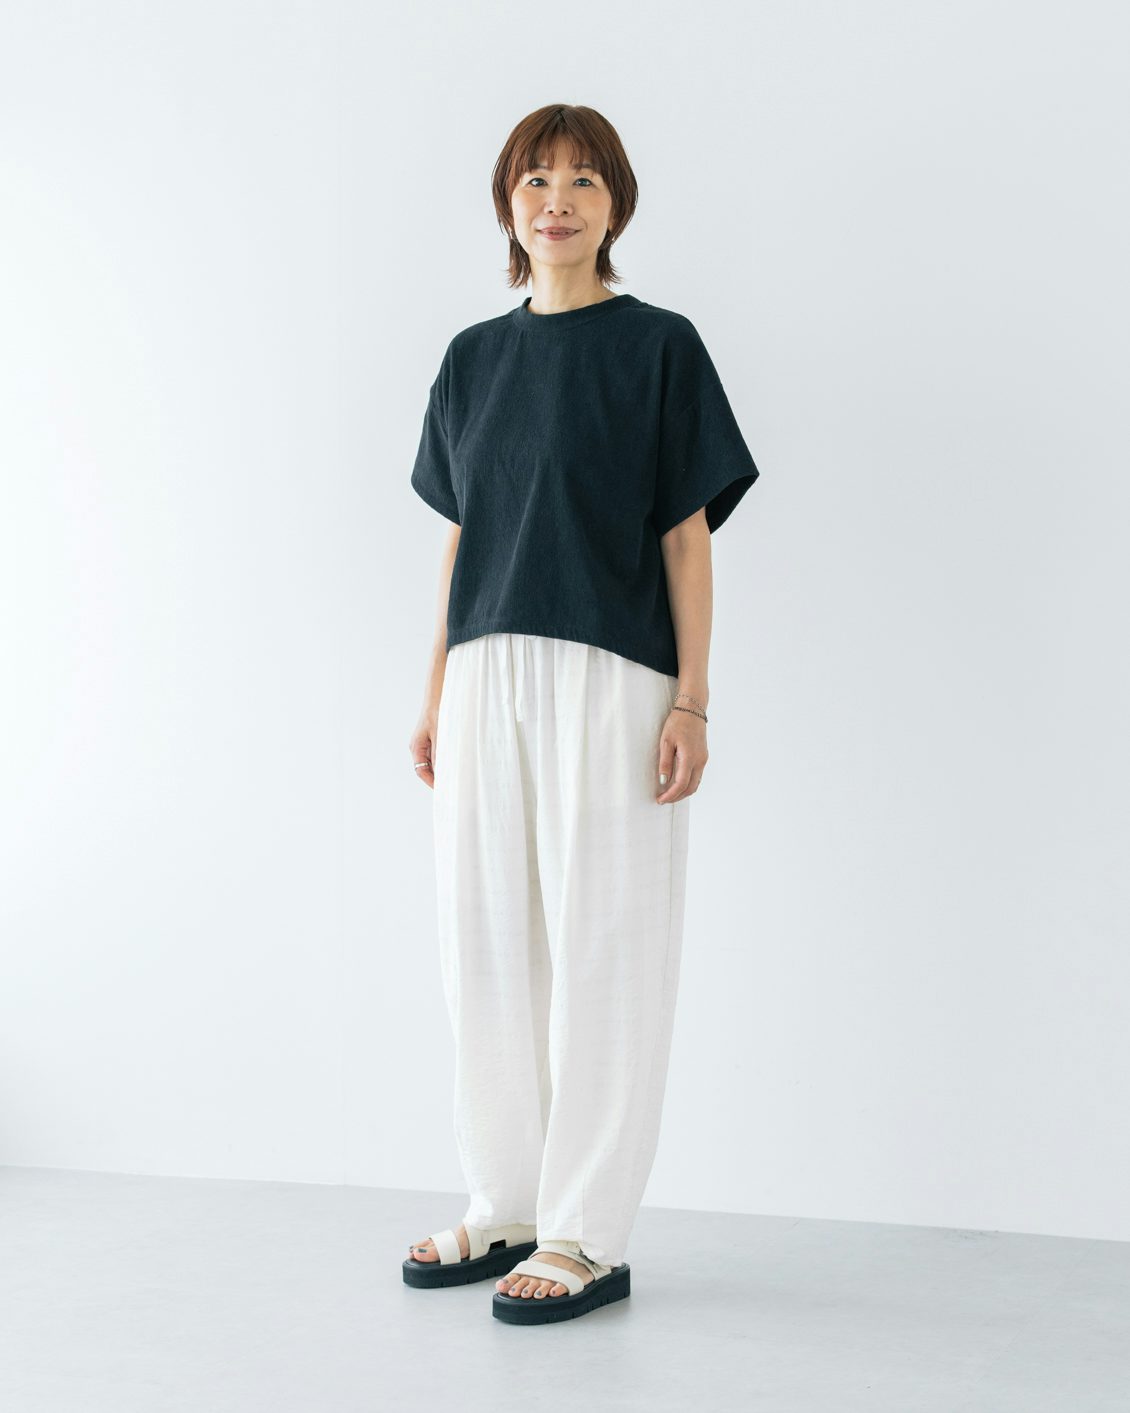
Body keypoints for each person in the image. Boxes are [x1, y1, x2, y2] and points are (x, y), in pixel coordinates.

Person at [401, 104, 760, 1324]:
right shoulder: (470, 359)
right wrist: (433, 690)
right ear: (508, 205)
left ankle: (584, 1232)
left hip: (615, 671)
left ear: (616, 205)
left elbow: (685, 538)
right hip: (485, 670)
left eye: (583, 180)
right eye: (534, 180)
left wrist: (692, 699)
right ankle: (504, 1199)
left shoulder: (658, 347)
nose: (555, 200)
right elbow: (463, 537)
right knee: (484, 938)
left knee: (607, 939)